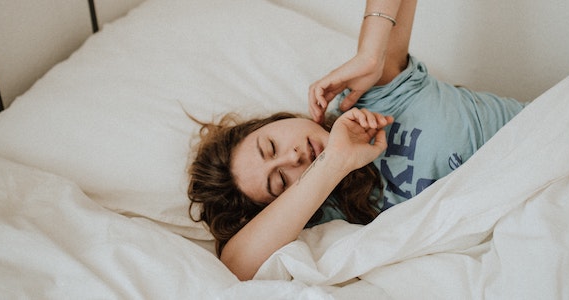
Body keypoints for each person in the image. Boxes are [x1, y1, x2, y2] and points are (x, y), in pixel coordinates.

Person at [188, 0, 526, 281]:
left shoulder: (374, 96)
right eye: (279, 181)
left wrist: (370, 54)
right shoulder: (333, 217)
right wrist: (333, 163)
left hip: (546, 143)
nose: (292, 159)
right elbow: (237, 265)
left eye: (271, 147)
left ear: (278, 121)